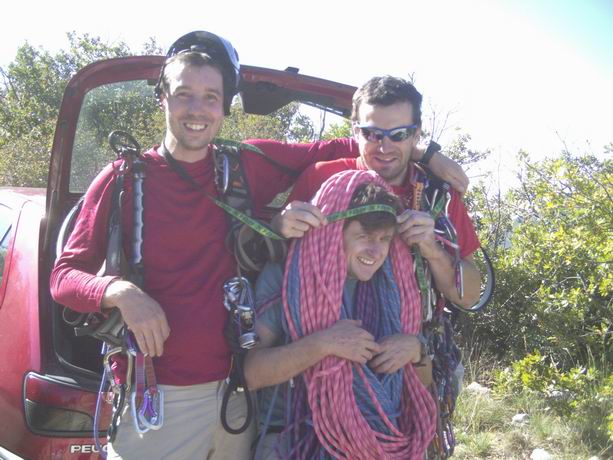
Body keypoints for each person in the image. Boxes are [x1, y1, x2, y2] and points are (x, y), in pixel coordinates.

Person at [50, 29, 469, 458]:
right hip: (162, 394)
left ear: (225, 106)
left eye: (211, 97)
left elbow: (362, 143)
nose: (197, 109)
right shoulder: (123, 180)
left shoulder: (244, 165)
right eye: (184, 95)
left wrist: (424, 152)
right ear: (162, 98)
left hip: (239, 397)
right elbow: (63, 277)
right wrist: (121, 293)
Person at [245, 170, 437, 459]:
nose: (375, 251)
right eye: (363, 236)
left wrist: (416, 350)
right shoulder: (289, 276)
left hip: (376, 440)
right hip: (295, 438)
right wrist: (323, 344)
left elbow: (420, 384)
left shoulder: (394, 287)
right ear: (335, 232)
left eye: (384, 239)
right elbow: (251, 374)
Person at [271, 75, 482, 309]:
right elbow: (275, 264)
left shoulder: (438, 195)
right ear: (355, 131)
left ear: (416, 135)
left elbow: (470, 296)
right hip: (322, 322)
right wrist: (278, 227)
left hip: (412, 330)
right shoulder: (322, 178)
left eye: (399, 134)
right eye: (372, 134)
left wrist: (433, 251)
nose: (384, 147)